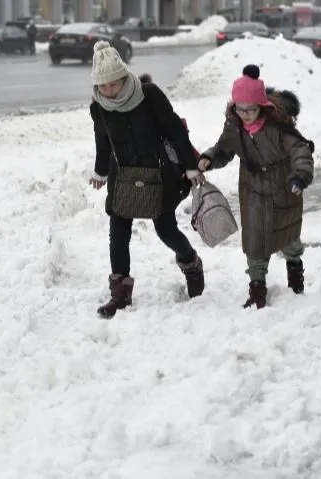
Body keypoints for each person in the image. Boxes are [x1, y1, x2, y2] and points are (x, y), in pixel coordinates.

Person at [88, 41, 205, 319]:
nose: (109, 91)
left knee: (165, 230)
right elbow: (102, 142)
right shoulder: (100, 107)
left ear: (124, 76)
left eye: (114, 84)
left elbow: (175, 130)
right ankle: (120, 294)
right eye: (103, 86)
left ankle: (190, 262)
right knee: (118, 236)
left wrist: (190, 167)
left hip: (158, 174)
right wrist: (101, 171)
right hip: (123, 177)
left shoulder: (148, 95)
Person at [198, 64, 314, 309]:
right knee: (254, 239)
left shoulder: (278, 127)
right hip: (252, 189)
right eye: (240, 109)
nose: (245, 114)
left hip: (283, 185)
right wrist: (209, 158)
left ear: (261, 106)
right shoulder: (234, 127)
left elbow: (300, 150)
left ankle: (295, 275)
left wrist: (300, 176)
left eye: (251, 109)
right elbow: (223, 150)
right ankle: (257, 290)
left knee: (288, 236)